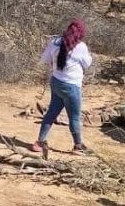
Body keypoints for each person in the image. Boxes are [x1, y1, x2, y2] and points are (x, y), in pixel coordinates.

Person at [31, 19, 93, 155]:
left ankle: (40, 142)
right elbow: (87, 63)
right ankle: (78, 145)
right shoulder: (80, 47)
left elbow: (45, 59)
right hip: (71, 86)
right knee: (75, 117)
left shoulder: (55, 42)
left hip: (56, 82)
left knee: (52, 112)